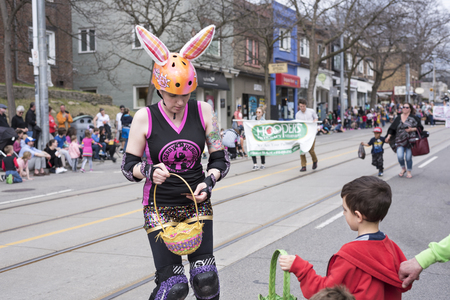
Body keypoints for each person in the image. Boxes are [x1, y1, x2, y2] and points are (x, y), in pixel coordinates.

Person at [121, 25, 229, 300]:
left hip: (197, 202)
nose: (180, 102)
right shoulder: (144, 117)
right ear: (159, 89)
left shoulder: (204, 111)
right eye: (173, 96)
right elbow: (128, 165)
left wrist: (209, 180)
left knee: (206, 280)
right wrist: (148, 170)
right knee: (174, 287)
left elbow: (220, 158)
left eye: (185, 95)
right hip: (159, 207)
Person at [279, 176, 411, 299]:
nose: (343, 213)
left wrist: (299, 267)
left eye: (345, 210)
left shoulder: (350, 256)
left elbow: (325, 292)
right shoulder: (392, 248)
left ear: (358, 216)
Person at [385, 103, 423, 179]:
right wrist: (388, 136)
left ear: (410, 109)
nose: (405, 108)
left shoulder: (414, 118)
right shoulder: (398, 118)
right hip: (399, 140)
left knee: (408, 157)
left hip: (410, 141)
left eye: (407, 107)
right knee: (400, 156)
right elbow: (392, 128)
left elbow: (420, 128)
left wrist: (411, 129)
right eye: (403, 107)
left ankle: (409, 171)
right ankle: (403, 168)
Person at [295, 98, 318, 172]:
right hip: (303, 134)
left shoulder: (311, 111)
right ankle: (303, 165)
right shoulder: (297, 114)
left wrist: (315, 121)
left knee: (311, 150)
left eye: (303, 106)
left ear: (305, 105)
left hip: (311, 133)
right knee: (302, 150)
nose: (302, 108)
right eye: (301, 106)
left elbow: (316, 118)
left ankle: (315, 160)